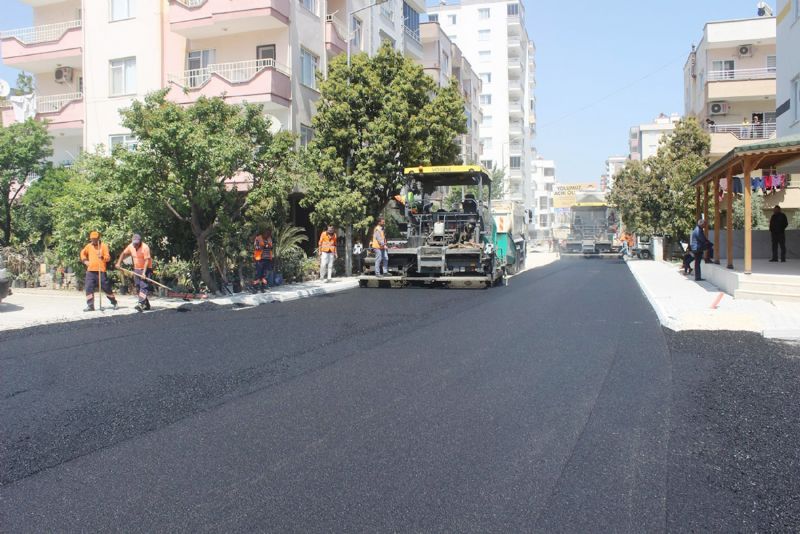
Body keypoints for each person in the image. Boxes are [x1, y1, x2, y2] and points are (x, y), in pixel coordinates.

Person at [80, 230, 118, 311]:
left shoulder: (103, 246)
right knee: (88, 287)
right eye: (92, 239)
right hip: (90, 271)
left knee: (106, 287)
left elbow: (108, 258)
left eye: (95, 238)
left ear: (98, 238)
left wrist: (102, 257)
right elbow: (82, 253)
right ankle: (90, 305)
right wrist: (85, 261)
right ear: (90, 239)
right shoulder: (88, 246)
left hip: (101, 270)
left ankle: (114, 302)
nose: (94, 240)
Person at [116, 233, 152, 312]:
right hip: (137, 269)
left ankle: (141, 304)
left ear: (140, 242)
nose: (135, 245)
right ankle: (146, 304)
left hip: (146, 269)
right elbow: (124, 253)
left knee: (143, 286)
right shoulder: (131, 246)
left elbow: (147, 261)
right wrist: (119, 263)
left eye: (137, 243)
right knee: (138, 286)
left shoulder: (145, 248)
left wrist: (144, 273)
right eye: (134, 243)